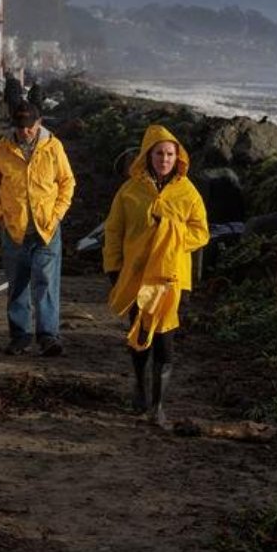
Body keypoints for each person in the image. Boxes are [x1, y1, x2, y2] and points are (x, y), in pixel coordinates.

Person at [103, 125, 209, 424]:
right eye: (159, 153)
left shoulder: (188, 193)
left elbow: (201, 234)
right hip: (136, 277)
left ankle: (158, 405)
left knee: (165, 340)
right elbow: (113, 231)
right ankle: (140, 386)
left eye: (170, 154)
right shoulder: (129, 191)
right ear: (148, 156)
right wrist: (113, 267)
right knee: (139, 335)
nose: (165, 159)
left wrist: (170, 232)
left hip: (173, 280)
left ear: (178, 158)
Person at [0, 102, 76, 356]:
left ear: (39, 122)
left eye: (30, 127)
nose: (25, 132)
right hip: (14, 229)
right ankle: (20, 336)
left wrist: (56, 215)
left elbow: (67, 182)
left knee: (46, 283)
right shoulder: (1, 149)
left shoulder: (53, 147)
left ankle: (48, 336)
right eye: (20, 127)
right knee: (18, 283)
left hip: (47, 229)